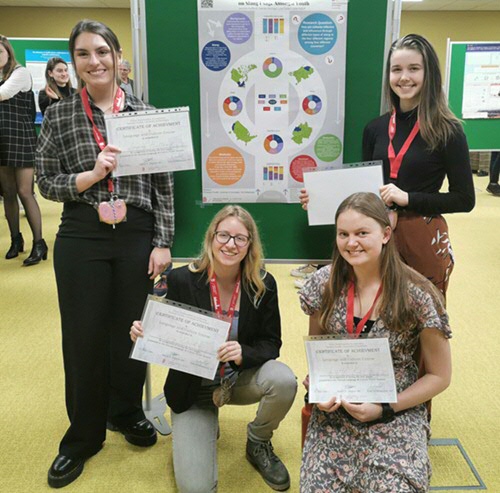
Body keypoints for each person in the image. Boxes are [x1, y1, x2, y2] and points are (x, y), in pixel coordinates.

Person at [35, 20, 174, 489]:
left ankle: (125, 411)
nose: (94, 62)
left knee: (130, 332)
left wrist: (163, 241)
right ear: (72, 62)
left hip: (135, 232)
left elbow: (164, 186)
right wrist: (90, 177)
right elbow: (45, 183)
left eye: (101, 51)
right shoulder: (59, 116)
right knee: (83, 335)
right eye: (82, 54)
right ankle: (83, 435)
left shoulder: (144, 113)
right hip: (82, 233)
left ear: (117, 56)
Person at [131, 205, 297, 493]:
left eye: (240, 238)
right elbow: (170, 335)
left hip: (238, 379)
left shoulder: (263, 284)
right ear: (211, 238)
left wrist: (244, 353)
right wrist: (146, 335)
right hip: (193, 388)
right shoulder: (183, 279)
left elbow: (272, 342)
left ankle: (258, 441)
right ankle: (204, 424)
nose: (230, 245)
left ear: (249, 245)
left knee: (283, 380)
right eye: (224, 235)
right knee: (196, 489)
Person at [300, 34, 475, 297]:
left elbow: (464, 199)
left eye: (414, 69)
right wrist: (321, 199)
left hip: (420, 235)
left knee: (420, 315)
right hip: (374, 235)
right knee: (370, 307)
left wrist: (408, 199)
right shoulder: (375, 128)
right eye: (397, 69)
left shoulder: (448, 131)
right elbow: (365, 190)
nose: (404, 77)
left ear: (430, 74)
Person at [299, 192, 452, 492]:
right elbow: (320, 351)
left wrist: (385, 408)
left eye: (361, 233)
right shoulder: (323, 284)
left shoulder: (418, 293)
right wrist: (319, 384)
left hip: (396, 410)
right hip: (337, 411)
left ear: (385, 234)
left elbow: (440, 375)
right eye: (343, 234)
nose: (351, 242)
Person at [0, 34, 46, 265]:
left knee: (25, 191)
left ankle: (39, 243)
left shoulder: (20, 73)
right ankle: (15, 240)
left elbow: (4, 93)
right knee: (8, 192)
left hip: (21, 139)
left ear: (8, 52)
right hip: (1, 141)